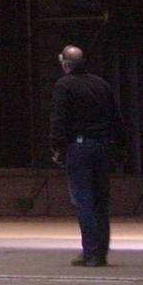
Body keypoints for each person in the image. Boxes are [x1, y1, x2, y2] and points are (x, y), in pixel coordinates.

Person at [50, 45, 123, 267]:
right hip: (103, 147)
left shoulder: (64, 85)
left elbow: (59, 118)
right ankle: (100, 251)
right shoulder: (101, 84)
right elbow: (116, 117)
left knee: (83, 201)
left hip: (80, 147)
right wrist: (120, 148)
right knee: (101, 201)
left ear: (65, 64)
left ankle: (90, 251)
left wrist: (57, 147)